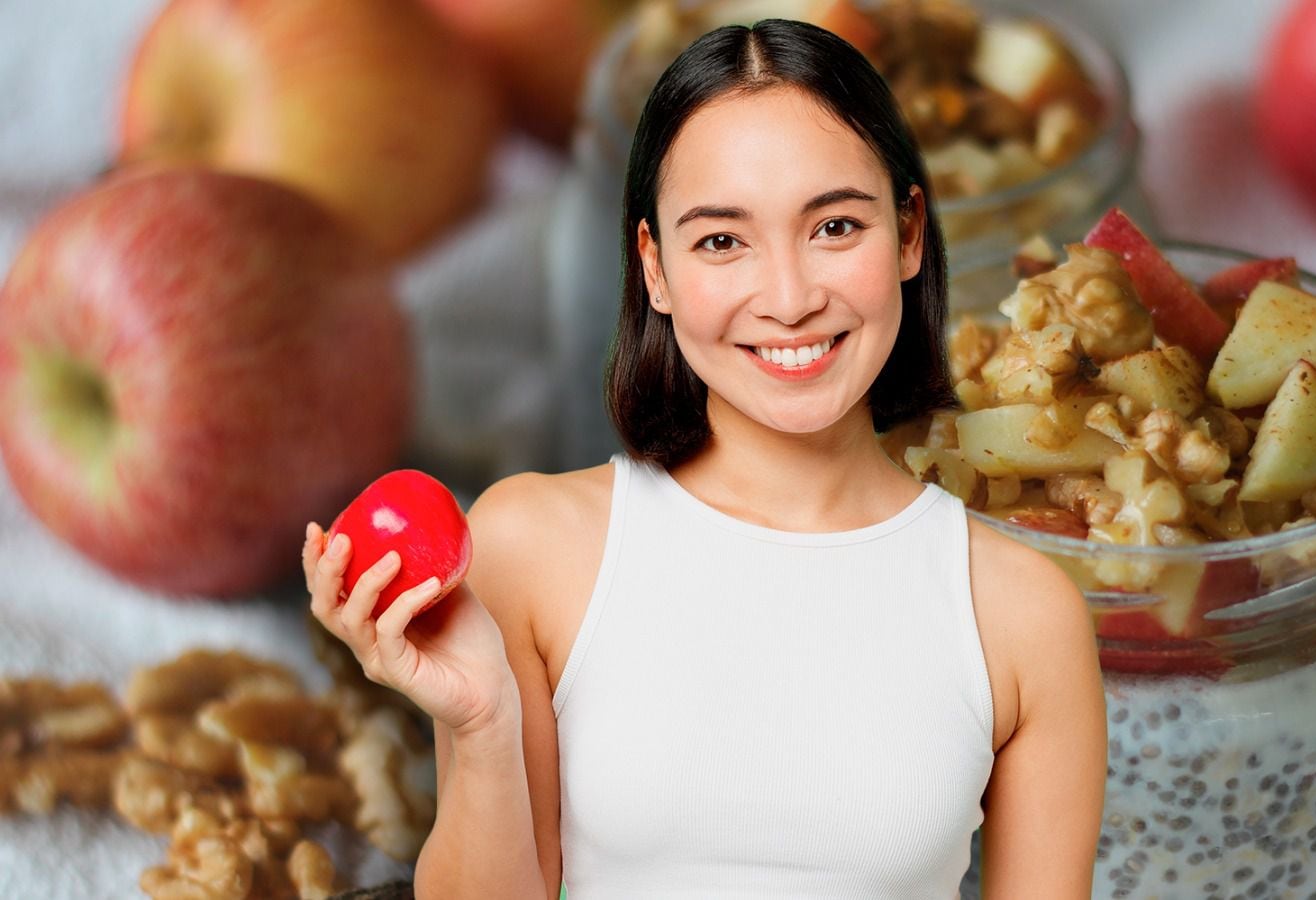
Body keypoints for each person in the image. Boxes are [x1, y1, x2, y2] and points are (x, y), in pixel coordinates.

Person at [305, 18, 1105, 899]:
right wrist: (483, 725)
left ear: (910, 235)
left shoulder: (1026, 616)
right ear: (654, 268)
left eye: (834, 226)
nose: (791, 298)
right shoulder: (533, 544)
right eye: (722, 240)